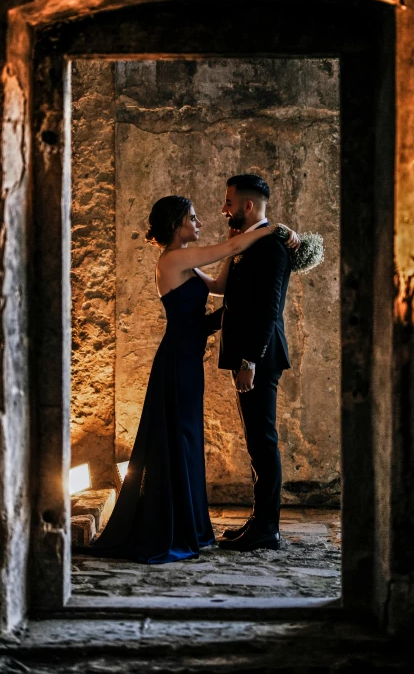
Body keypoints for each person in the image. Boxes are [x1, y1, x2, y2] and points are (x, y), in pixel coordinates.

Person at [86, 195, 299, 563]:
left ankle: (190, 525)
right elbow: (230, 247)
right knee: (177, 439)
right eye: (193, 218)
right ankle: (174, 528)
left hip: (187, 359)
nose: (199, 224)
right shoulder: (172, 259)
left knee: (185, 439)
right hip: (177, 361)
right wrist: (274, 230)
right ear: (176, 224)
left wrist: (243, 270)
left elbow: (218, 286)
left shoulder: (184, 262)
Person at [217, 174, 295, 552]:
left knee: (263, 441)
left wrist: (249, 359)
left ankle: (267, 529)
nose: (224, 209)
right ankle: (259, 518)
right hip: (249, 356)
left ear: (247, 206)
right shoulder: (249, 243)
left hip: (260, 357)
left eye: (228, 202)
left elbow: (268, 310)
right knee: (255, 442)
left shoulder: (272, 248)